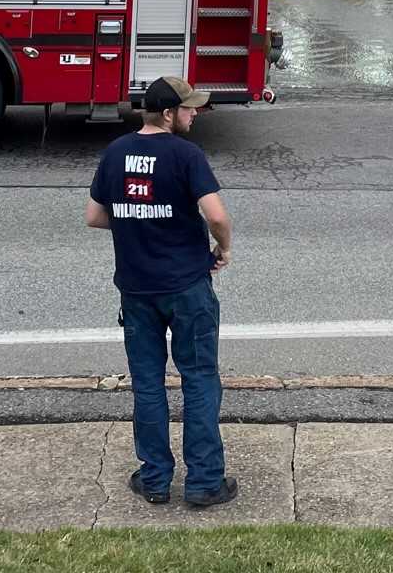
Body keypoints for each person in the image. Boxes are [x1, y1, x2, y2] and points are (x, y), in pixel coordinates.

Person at [86, 75, 237, 510]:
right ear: (169, 114)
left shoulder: (116, 152)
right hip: (187, 286)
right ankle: (205, 482)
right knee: (200, 379)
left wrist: (139, 221)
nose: (195, 113)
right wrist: (222, 248)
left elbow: (94, 216)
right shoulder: (186, 155)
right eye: (189, 108)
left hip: (136, 290)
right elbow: (218, 216)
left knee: (148, 385)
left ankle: (154, 478)